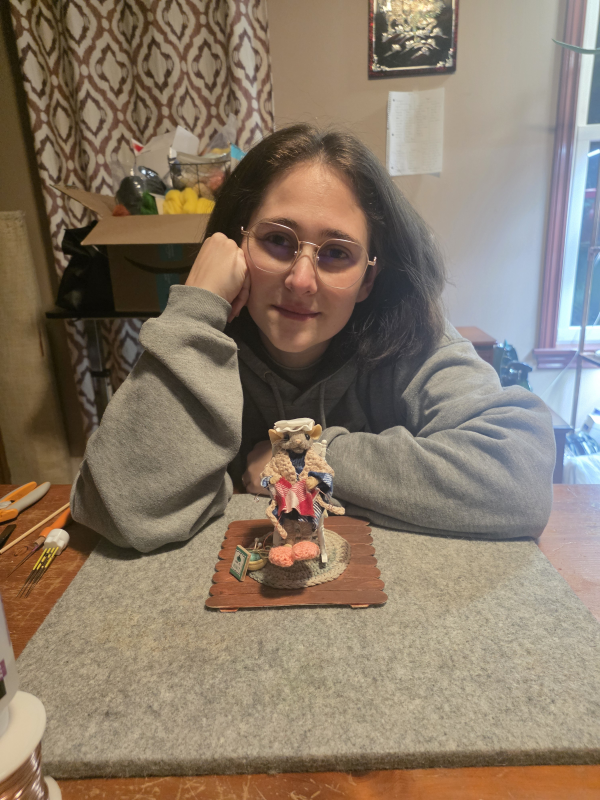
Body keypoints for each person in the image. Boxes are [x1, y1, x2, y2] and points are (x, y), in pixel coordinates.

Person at [71, 124, 555, 552]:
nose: (302, 280)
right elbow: (120, 509)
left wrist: (302, 458)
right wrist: (195, 314)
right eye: (278, 241)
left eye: (337, 254)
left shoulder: (412, 337)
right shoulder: (198, 334)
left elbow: (520, 478)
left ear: (368, 279)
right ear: (237, 244)